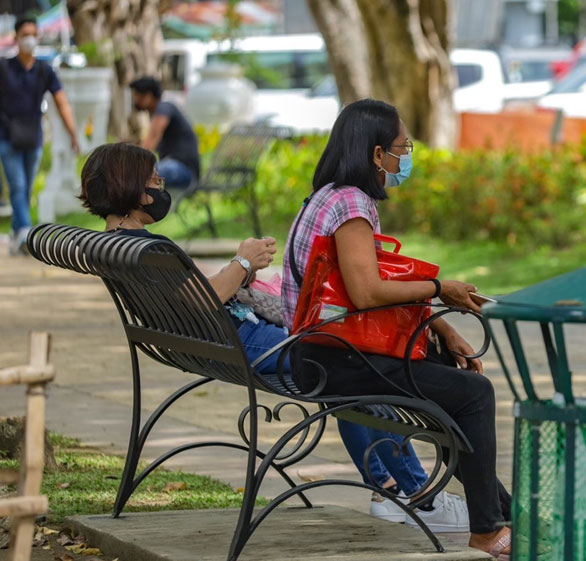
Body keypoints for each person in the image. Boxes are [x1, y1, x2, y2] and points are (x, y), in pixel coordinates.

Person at [77, 142, 467, 532]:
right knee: (357, 367)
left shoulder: (116, 243)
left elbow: (191, 301)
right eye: (153, 180)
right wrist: (243, 260)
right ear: (131, 188)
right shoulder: (149, 249)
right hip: (246, 345)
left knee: (347, 371)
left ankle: (386, 488)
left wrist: (241, 275)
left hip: (218, 346)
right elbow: (204, 300)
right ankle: (421, 495)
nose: (160, 186)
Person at [282, 99, 511, 559]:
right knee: (475, 395)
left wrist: (441, 330)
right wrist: (440, 287)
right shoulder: (351, 203)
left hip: (327, 350)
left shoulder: (328, 194)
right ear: (376, 154)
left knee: (460, 380)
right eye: (402, 148)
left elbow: (360, 288)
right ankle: (487, 530)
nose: (406, 158)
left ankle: (506, 513)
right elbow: (366, 292)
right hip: (333, 360)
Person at [0, 16, 80, 254]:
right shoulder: (4, 67)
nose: (29, 40)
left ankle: (17, 234)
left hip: (33, 137)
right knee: (17, 185)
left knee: (26, 189)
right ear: (16, 38)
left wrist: (73, 133)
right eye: (24, 35)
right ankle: (25, 232)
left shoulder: (45, 70)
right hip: (6, 136)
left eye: (33, 34)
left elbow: (61, 101)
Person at [128, 76, 200, 190]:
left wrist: (127, 163)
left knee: (138, 174)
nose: (134, 99)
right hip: (177, 169)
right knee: (140, 174)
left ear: (149, 95)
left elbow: (151, 141)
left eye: (137, 95)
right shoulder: (160, 110)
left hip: (183, 171)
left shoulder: (164, 108)